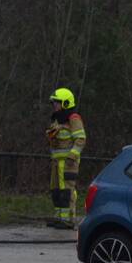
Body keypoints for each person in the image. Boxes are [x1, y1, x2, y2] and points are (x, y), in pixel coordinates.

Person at [46, 87, 86, 229]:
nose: (54, 106)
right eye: (53, 103)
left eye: (57, 103)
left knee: (67, 190)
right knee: (56, 190)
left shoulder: (73, 119)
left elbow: (80, 139)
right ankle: (59, 217)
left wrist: (72, 156)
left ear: (66, 103)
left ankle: (69, 218)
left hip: (68, 163)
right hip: (57, 163)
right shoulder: (57, 120)